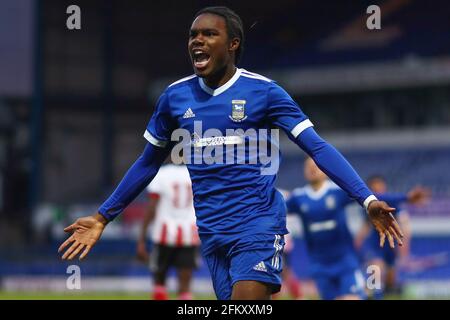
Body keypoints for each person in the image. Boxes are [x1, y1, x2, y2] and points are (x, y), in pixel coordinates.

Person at [58, 6, 403, 300]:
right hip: (211, 233)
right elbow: (148, 162)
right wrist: (104, 216)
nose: (197, 41)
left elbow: (317, 146)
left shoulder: (264, 92)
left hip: (258, 227)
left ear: (233, 44)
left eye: (209, 34)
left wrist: (367, 200)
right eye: (193, 35)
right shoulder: (174, 98)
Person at [285, 158, 368, 300]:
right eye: (308, 167)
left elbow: (366, 196)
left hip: (345, 262)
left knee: (352, 297)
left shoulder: (337, 191)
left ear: (325, 170)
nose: (312, 169)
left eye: (316, 166)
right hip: (319, 265)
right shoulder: (299, 197)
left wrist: (405, 198)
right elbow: (277, 210)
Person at [354, 175, 429, 299]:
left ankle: (377, 291)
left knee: (390, 281)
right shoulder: (368, 204)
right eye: (375, 188)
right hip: (375, 244)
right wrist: (358, 240)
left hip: (391, 245)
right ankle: (372, 295)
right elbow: (366, 225)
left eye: (380, 188)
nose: (379, 191)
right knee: (375, 271)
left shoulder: (393, 203)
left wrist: (404, 245)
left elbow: (404, 223)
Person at [136, 163, 199, 300]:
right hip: (189, 233)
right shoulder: (194, 172)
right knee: (185, 287)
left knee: (159, 283)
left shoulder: (161, 173)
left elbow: (152, 207)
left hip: (163, 232)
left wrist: (141, 238)